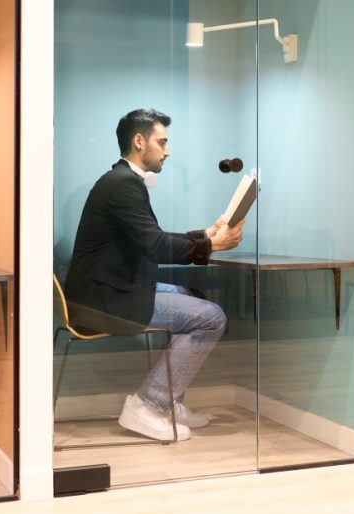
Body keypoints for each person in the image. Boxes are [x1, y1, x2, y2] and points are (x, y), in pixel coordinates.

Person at [64, 108, 243, 441]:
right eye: (162, 142)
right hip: (102, 300)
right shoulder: (122, 185)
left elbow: (151, 238)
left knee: (195, 299)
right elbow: (155, 246)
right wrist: (211, 245)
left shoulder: (121, 181)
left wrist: (206, 234)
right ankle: (148, 404)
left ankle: (167, 400)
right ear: (139, 141)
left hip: (113, 288)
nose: (167, 151)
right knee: (211, 316)